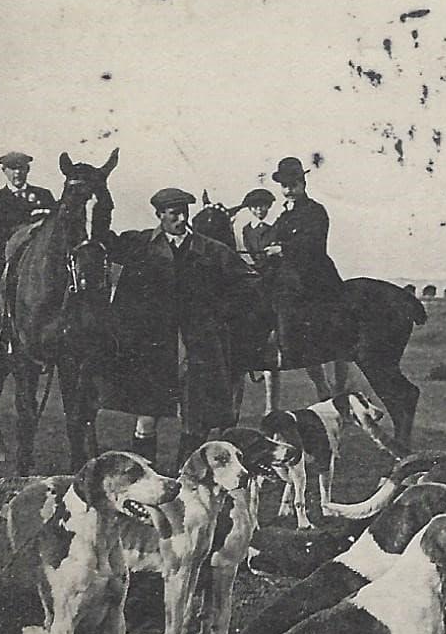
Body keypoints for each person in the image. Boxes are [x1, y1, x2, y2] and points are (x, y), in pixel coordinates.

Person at [96, 187, 260, 469]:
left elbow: (249, 281)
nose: (182, 219)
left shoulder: (210, 249)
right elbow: (102, 240)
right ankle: (145, 477)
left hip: (198, 346)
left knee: (195, 419)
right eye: (174, 213)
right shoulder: (139, 245)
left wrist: (219, 311)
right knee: (146, 416)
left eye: (185, 212)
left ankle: (185, 477)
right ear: (159, 215)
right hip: (153, 347)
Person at [260, 157, 350, 389]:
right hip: (286, 274)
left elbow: (314, 244)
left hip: (314, 274)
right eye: (285, 186)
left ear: (303, 184)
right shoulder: (284, 215)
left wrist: (283, 249)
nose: (288, 191)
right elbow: (271, 237)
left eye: (293, 185)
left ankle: (294, 351)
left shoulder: (315, 211)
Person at [0, 151, 58, 354]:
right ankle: (0, 333)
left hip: (40, 257)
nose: (17, 173)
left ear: (27, 170)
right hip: (9, 255)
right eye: (12, 169)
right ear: (4, 171)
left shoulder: (44, 196)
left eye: (21, 168)